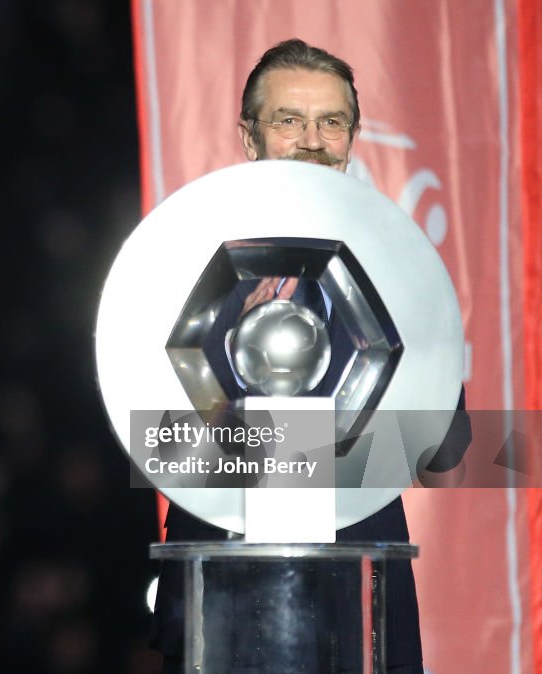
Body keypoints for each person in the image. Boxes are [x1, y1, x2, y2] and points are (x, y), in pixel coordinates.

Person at [151, 38, 468, 674]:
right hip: (224, 570)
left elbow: (447, 452)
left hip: (358, 579)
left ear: (353, 137)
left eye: (332, 122)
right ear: (249, 138)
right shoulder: (183, 256)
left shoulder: (396, 263)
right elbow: (157, 440)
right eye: (289, 121)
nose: (313, 141)